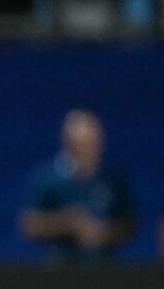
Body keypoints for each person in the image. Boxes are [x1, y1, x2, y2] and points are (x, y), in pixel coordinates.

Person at [18, 109, 134, 264]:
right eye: (83, 143)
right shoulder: (47, 179)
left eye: (94, 141)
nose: (90, 148)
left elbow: (128, 224)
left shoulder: (112, 179)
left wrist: (103, 232)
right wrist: (68, 222)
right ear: (67, 142)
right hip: (60, 268)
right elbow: (29, 225)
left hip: (104, 268)